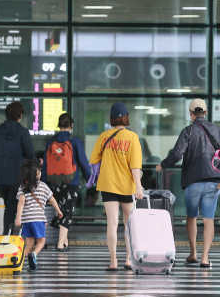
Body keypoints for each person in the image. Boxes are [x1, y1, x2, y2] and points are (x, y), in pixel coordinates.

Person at [156, 99, 220, 268]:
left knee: (191, 217)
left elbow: (177, 153)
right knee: (208, 220)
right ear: (205, 112)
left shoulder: (188, 131)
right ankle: (205, 258)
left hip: (193, 182)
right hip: (213, 181)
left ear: (191, 113)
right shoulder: (217, 130)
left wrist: (163, 165)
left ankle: (193, 254)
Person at [89, 103, 143, 272]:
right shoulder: (132, 137)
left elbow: (93, 160)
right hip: (127, 186)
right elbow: (135, 165)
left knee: (112, 224)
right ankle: (128, 259)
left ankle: (113, 262)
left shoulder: (104, 136)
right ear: (126, 117)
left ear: (111, 118)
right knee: (129, 224)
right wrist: (139, 186)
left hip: (108, 184)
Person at [0, 101, 39, 234]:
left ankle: (10, 233)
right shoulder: (23, 132)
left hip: (0, 176)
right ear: (20, 115)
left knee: (10, 205)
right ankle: (8, 235)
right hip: (17, 176)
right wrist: (40, 162)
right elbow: (30, 154)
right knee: (11, 206)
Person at [42, 113, 92, 252]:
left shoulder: (50, 142)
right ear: (72, 126)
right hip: (71, 182)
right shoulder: (74, 141)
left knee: (59, 209)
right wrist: (90, 180)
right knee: (67, 210)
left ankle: (65, 241)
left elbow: (45, 164)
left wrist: (43, 183)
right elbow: (83, 162)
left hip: (52, 181)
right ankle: (60, 244)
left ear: (59, 125)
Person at [14, 159, 63, 273]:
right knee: (41, 241)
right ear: (37, 174)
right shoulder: (44, 186)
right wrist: (58, 210)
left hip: (26, 220)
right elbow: (52, 200)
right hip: (38, 219)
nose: (40, 174)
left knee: (30, 241)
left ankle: (29, 265)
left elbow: (21, 203)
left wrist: (18, 218)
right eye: (38, 172)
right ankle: (34, 255)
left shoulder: (23, 187)